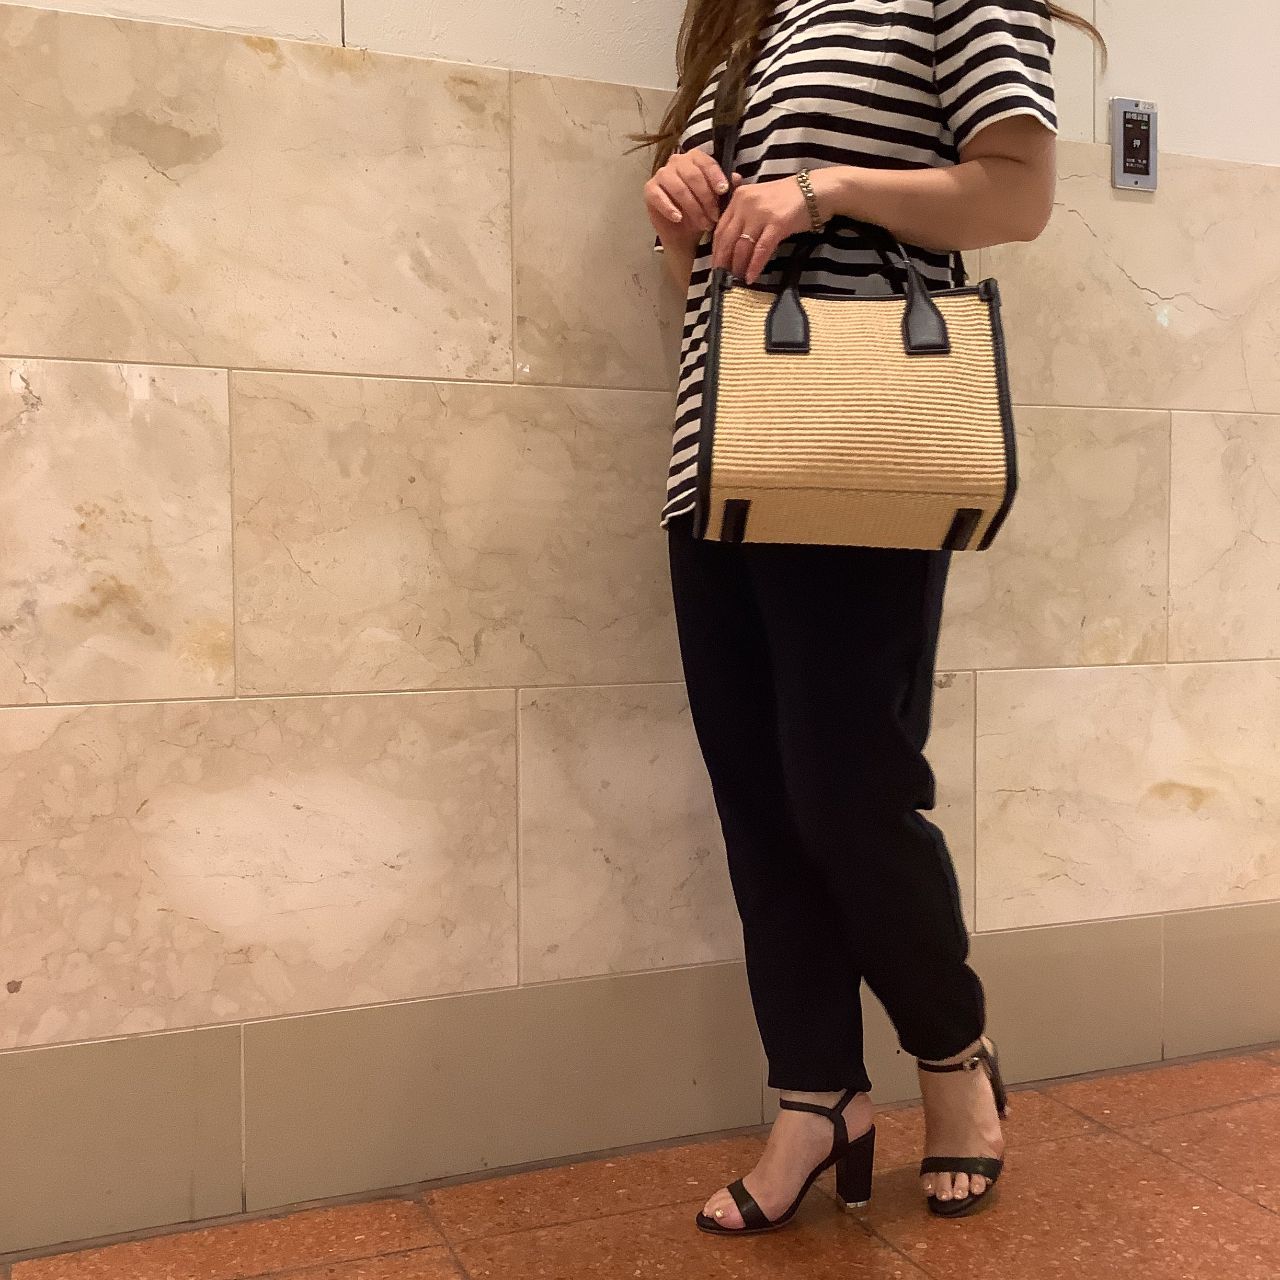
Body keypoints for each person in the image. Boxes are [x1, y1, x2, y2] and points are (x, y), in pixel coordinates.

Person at [632, 0, 1105, 1232]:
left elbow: (1015, 197)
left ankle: (951, 1054)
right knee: (757, 802)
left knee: (848, 790)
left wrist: (822, 188)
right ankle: (814, 1096)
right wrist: (684, 211)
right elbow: (703, 280)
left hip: (860, 446)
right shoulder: (745, 21)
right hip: (717, 454)